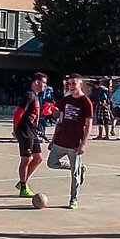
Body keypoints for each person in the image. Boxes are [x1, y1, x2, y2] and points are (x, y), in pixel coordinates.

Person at [48, 74, 93, 208]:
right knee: (51, 163)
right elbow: (60, 121)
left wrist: (83, 143)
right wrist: (53, 140)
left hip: (75, 143)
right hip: (61, 140)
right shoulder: (66, 100)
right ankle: (79, 168)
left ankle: (74, 199)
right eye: (69, 84)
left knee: (74, 175)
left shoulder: (86, 102)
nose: (71, 86)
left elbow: (89, 123)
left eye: (74, 83)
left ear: (80, 85)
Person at [15, 72, 47, 198]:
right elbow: (19, 113)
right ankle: (23, 187)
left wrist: (45, 112)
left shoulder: (36, 97)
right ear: (37, 82)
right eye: (43, 82)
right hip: (25, 131)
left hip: (33, 132)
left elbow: (33, 114)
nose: (45, 85)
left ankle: (22, 181)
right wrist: (15, 129)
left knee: (38, 158)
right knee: (26, 159)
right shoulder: (29, 95)